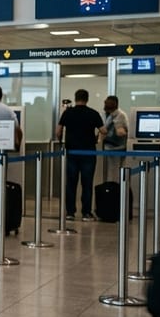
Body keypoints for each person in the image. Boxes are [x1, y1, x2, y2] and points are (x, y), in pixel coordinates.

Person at [56, 89, 104, 222]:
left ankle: (70, 212)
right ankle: (86, 213)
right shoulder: (93, 113)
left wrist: (61, 141)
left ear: (75, 98)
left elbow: (58, 131)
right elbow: (103, 130)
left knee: (71, 183)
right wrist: (97, 138)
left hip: (71, 152)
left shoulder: (68, 112)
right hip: (88, 152)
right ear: (87, 99)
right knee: (87, 183)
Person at [100, 95, 129, 182]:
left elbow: (123, 132)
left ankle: (115, 190)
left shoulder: (121, 115)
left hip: (118, 148)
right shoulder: (107, 115)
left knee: (115, 173)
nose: (106, 105)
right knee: (110, 172)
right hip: (107, 147)